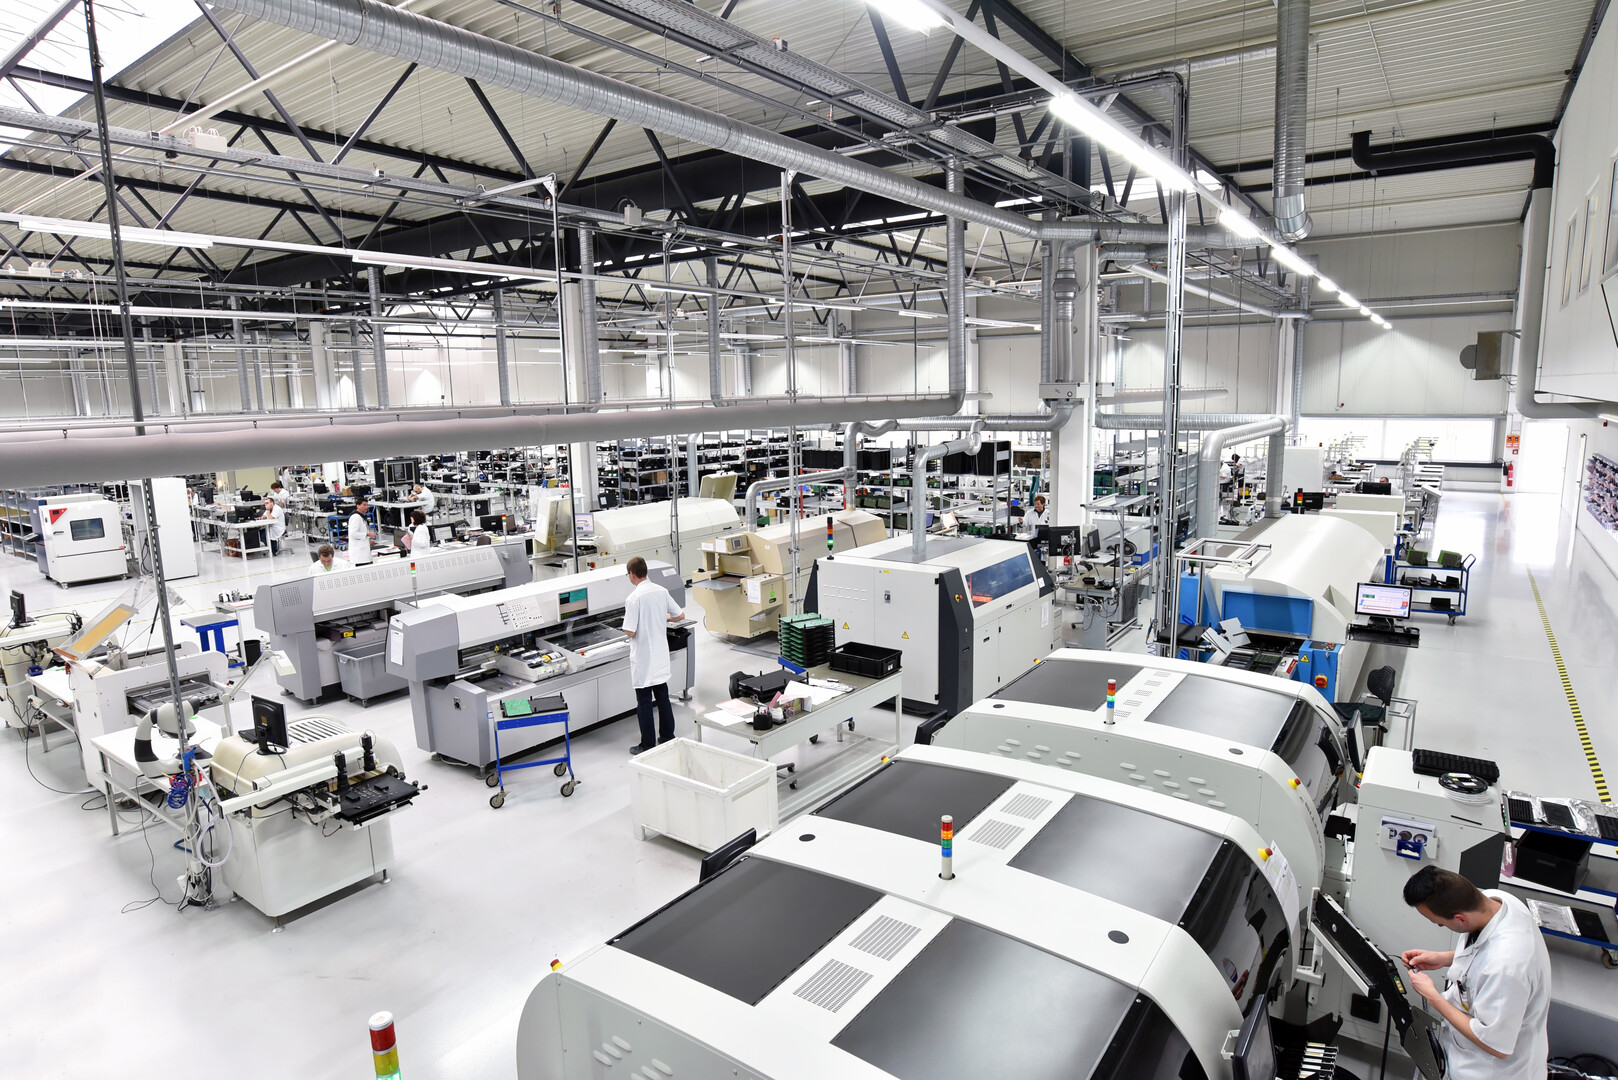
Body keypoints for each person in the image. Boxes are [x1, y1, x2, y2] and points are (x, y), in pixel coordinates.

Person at [1401, 866, 1551, 1080]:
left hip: (1494, 1072)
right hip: (1462, 1055)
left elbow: (1497, 1045)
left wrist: (1433, 997)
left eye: (1440, 924)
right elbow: (1485, 951)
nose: (1439, 925)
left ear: (1461, 919)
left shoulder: (1507, 967)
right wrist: (1445, 958)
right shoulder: (1494, 901)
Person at [621, 555, 685, 754]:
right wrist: (661, 617)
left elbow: (630, 631)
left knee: (644, 702)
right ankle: (667, 736)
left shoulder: (633, 598)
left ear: (632, 574)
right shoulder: (661, 590)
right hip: (660, 655)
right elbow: (680, 615)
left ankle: (647, 745)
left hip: (643, 658)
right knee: (663, 697)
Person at [348, 498, 377, 566]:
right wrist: (368, 534)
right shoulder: (356, 517)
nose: (366, 507)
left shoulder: (361, 516)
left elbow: (361, 531)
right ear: (358, 506)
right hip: (359, 555)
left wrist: (369, 541)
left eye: (367, 505)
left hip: (363, 553)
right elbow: (353, 533)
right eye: (364, 505)